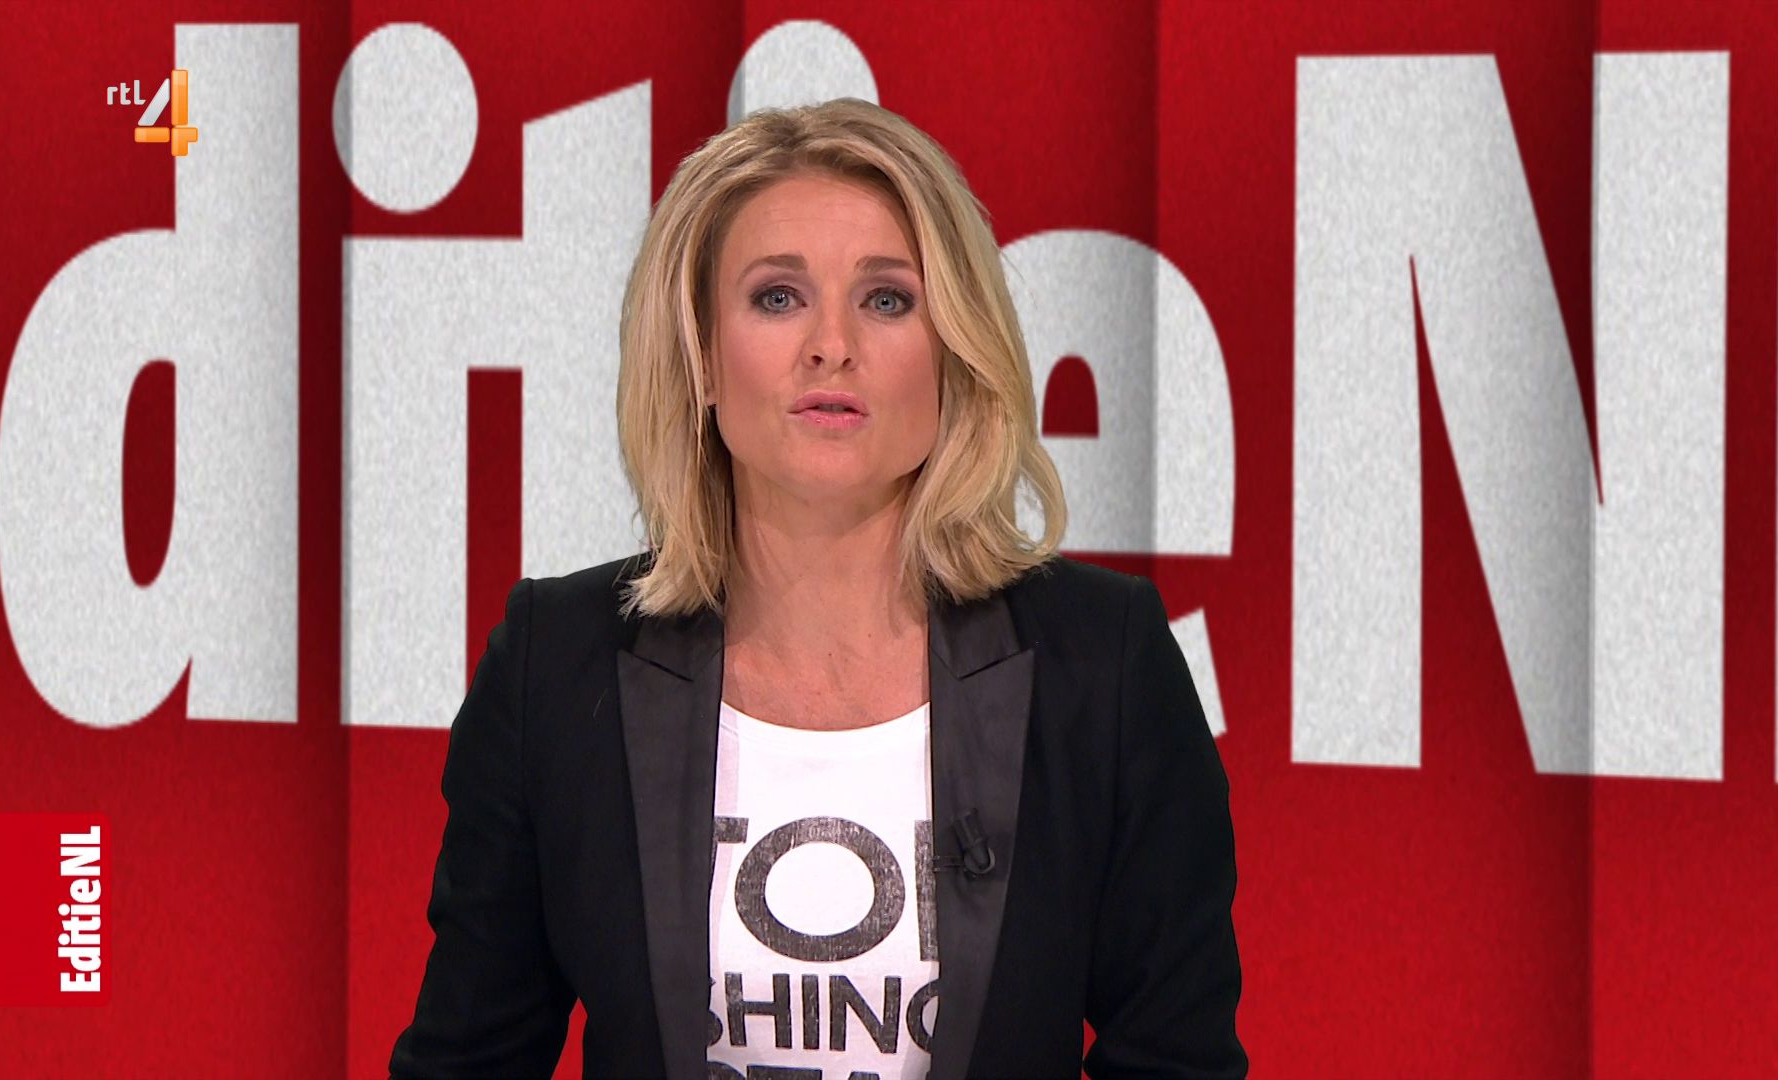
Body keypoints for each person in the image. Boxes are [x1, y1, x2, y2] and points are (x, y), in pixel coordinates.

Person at [389, 97, 1245, 1080]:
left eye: (886, 300)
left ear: (953, 351)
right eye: (777, 297)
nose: (831, 344)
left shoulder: (1104, 665)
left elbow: (1177, 1060)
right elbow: (467, 1061)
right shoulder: (557, 663)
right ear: (702, 357)